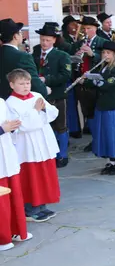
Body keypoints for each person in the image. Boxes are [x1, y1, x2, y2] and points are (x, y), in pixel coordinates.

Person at [6, 69, 60, 222]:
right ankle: (30, 209)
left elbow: (53, 113)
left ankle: (42, 205)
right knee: (31, 176)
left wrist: (44, 109)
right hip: (26, 145)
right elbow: (23, 125)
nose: (25, 86)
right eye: (21, 84)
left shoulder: (37, 95)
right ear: (12, 85)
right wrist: (36, 111)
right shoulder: (10, 103)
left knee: (44, 174)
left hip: (42, 141)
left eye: (27, 83)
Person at [32, 24, 72, 168]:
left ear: (54, 40)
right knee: (46, 126)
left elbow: (66, 75)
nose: (44, 43)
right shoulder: (35, 53)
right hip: (40, 97)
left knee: (60, 126)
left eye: (47, 40)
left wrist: (47, 79)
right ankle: (51, 154)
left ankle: (62, 155)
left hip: (57, 95)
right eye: (42, 39)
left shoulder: (62, 55)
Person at [89, 41, 115, 175]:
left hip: (113, 107)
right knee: (105, 133)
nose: (105, 55)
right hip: (103, 105)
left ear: (114, 55)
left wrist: (95, 81)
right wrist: (88, 77)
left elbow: (108, 84)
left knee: (114, 134)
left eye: (108, 53)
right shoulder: (103, 68)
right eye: (103, 53)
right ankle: (110, 161)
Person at [70, 16, 108, 146]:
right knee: (86, 110)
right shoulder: (79, 43)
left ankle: (99, 139)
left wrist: (93, 54)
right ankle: (94, 139)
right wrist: (77, 56)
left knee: (96, 111)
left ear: (95, 28)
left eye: (89, 28)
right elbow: (71, 59)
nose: (86, 31)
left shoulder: (102, 42)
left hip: (95, 81)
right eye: (84, 28)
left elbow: (108, 60)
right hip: (81, 79)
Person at [0, 98, 31, 251]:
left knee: (14, 196)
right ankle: (2, 238)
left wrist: (13, 127)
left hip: (6, 154)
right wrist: (1, 129)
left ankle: (16, 230)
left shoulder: (1, 102)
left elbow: (8, 125)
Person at [0, 18, 49, 99]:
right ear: (15, 36)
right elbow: (33, 81)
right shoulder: (22, 56)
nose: (22, 35)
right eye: (20, 32)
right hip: (17, 100)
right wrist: (44, 90)